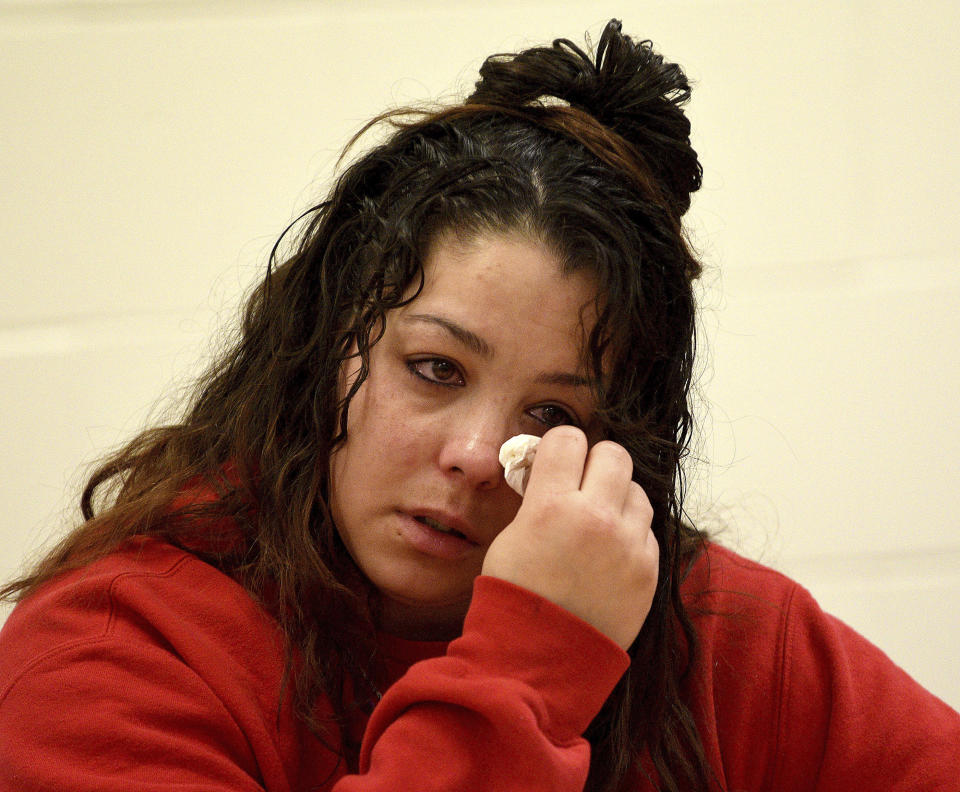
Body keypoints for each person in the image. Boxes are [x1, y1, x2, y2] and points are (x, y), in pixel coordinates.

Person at [0, 19, 957, 792]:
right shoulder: (112, 649)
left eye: (552, 417)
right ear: (324, 349)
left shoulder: (722, 639)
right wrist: (537, 661)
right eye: (436, 369)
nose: (473, 452)